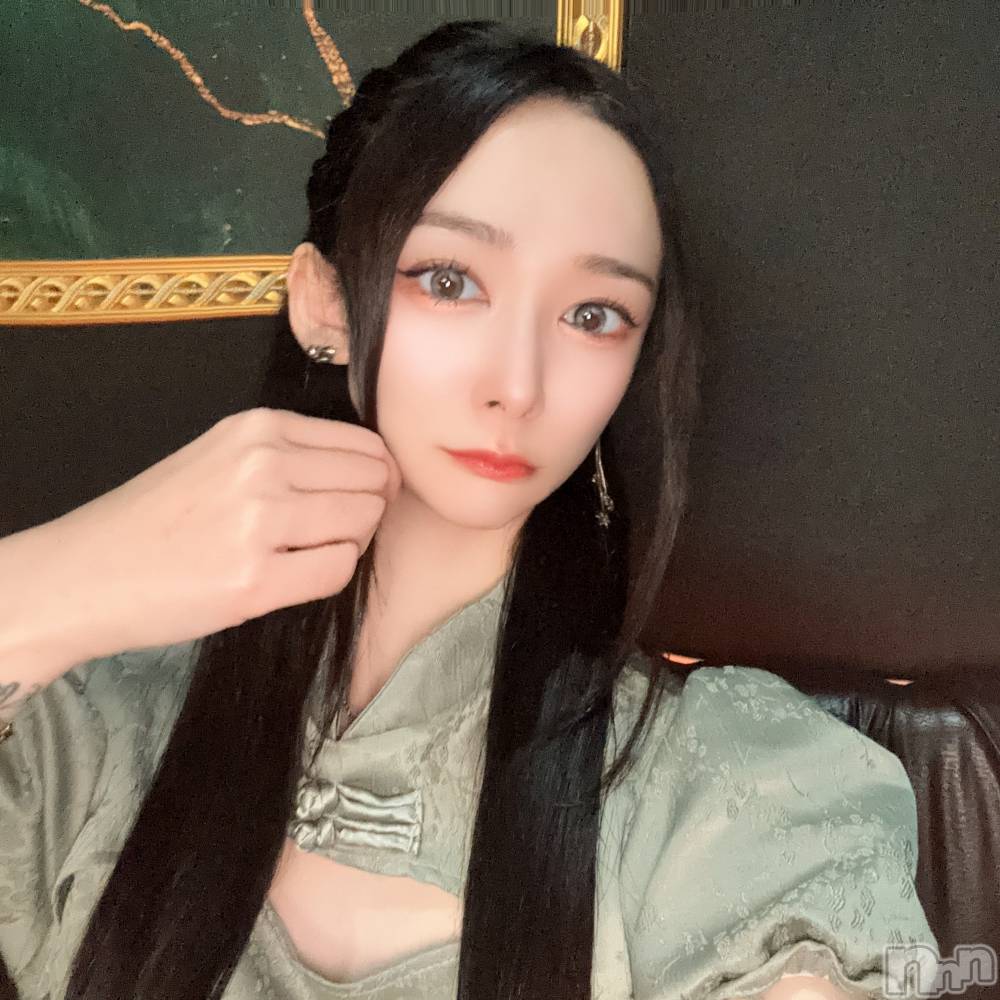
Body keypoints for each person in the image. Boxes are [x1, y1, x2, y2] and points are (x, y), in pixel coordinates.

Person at [0, 18, 938, 1000]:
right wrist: (62, 576)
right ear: (324, 304)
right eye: (449, 281)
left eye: (593, 315)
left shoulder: (719, 792)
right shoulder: (85, 728)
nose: (518, 384)